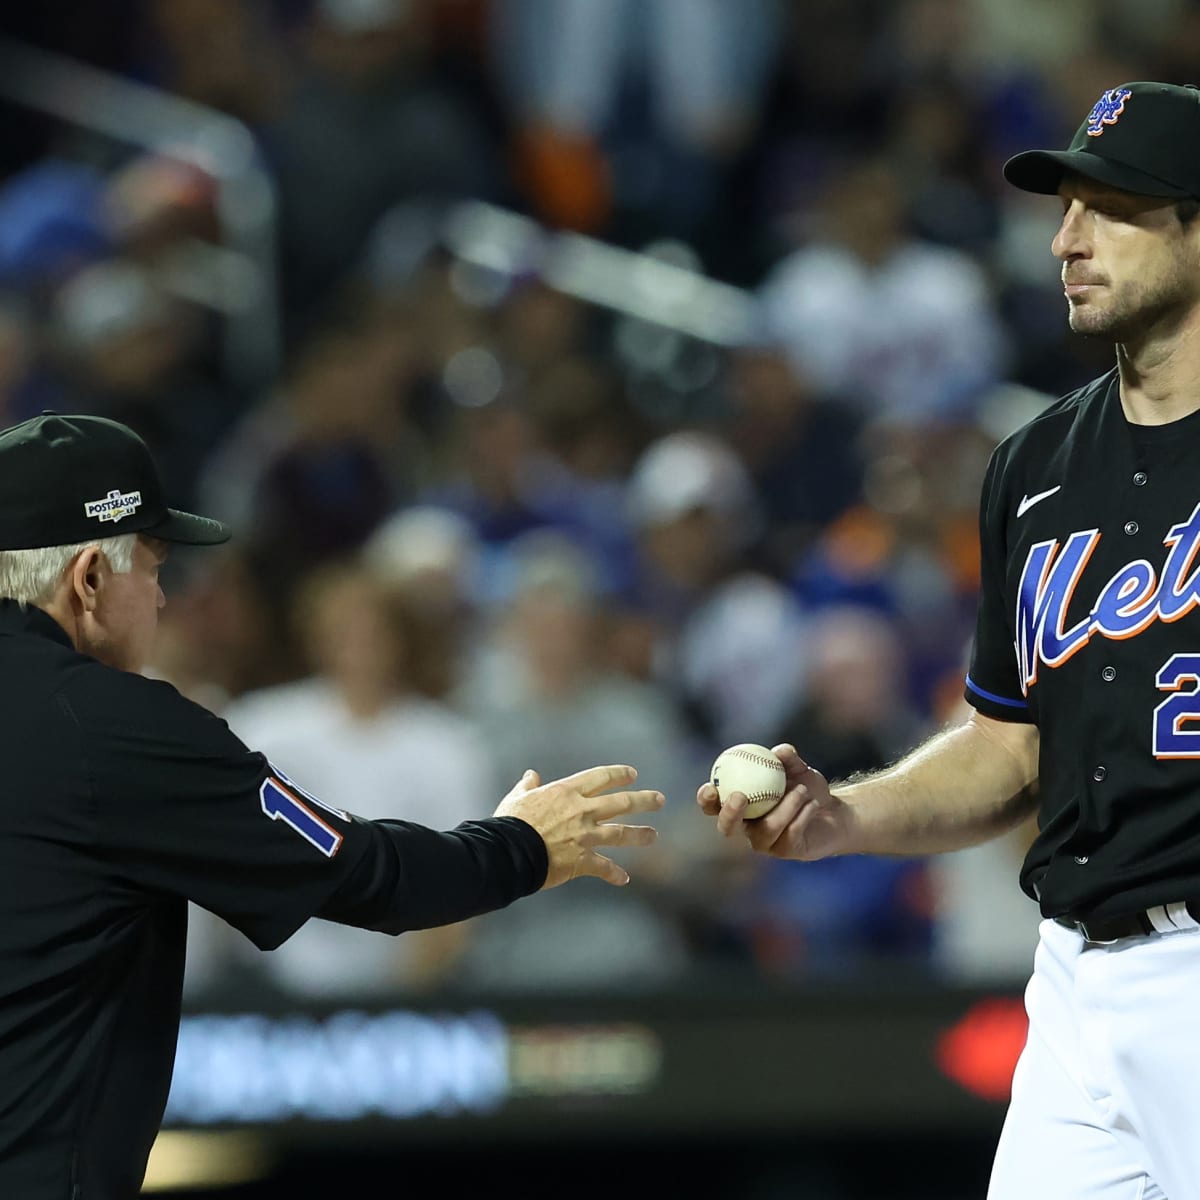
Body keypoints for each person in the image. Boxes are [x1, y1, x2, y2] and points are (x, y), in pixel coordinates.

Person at [697, 81, 1200, 1199]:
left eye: (1111, 207)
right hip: (1076, 977)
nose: (1067, 238)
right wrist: (844, 817)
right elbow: (1008, 743)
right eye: (1064, 207)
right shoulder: (1034, 466)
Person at [0, 412, 663, 1199]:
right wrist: (521, 843)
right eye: (153, 566)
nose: (163, 599)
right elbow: (365, 875)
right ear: (89, 578)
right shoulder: (113, 727)